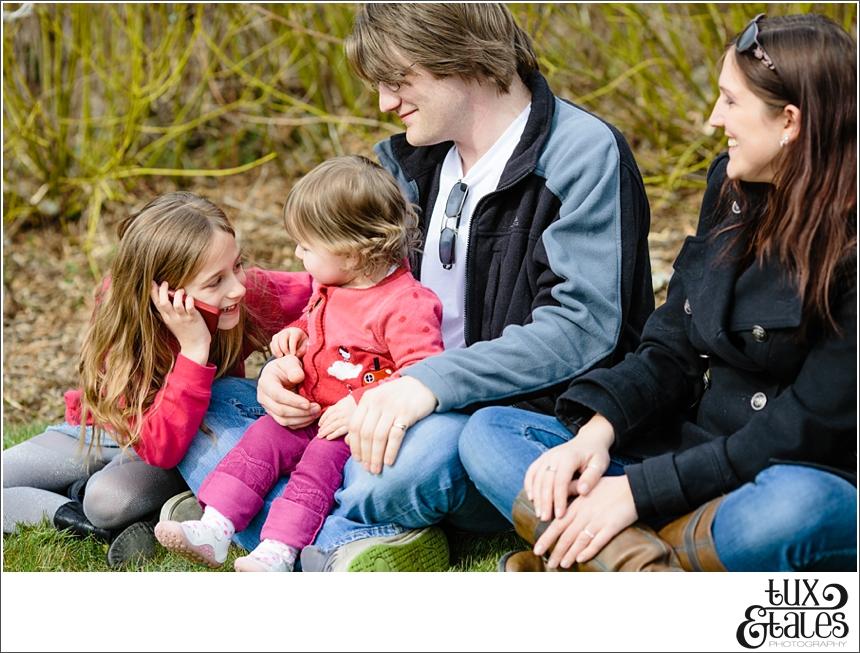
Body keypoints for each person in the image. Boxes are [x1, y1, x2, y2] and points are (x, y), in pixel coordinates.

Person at [253, 3, 654, 571]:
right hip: (376, 396)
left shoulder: (582, 154)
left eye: (397, 81)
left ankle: (264, 507)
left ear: (460, 55)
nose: (386, 103)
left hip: (514, 418)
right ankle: (337, 523)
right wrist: (292, 363)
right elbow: (356, 290)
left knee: (422, 456)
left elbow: (580, 328)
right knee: (242, 404)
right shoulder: (406, 164)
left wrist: (427, 384)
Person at [461, 13, 857, 572]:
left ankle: (614, 551)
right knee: (492, 433)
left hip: (786, 474)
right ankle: (646, 562)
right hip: (686, 455)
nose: (713, 120)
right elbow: (673, 342)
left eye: (730, 101)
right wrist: (597, 433)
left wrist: (637, 494)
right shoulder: (733, 185)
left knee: (797, 512)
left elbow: (802, 430)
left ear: (789, 121)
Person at [154, 156, 445, 572]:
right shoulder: (334, 284)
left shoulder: (405, 304)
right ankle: (216, 527)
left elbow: (424, 369)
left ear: (352, 252)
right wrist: (296, 334)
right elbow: (320, 322)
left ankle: (279, 550)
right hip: (307, 407)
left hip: (345, 428)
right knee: (257, 446)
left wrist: (365, 401)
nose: (296, 253)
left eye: (306, 247)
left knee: (314, 476)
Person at [2, 192, 311, 566]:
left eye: (238, 265)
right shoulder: (124, 327)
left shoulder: (239, 297)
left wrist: (194, 350)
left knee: (108, 501)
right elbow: (132, 427)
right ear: (164, 292)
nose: (238, 287)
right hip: (113, 431)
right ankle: (75, 511)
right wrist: (193, 346)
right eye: (216, 281)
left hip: (181, 444)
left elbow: (322, 291)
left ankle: (130, 506)